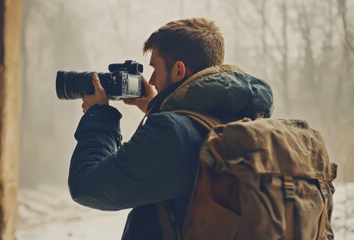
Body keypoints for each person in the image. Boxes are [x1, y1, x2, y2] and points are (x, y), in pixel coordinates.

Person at [68, 18, 274, 239]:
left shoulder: (171, 133)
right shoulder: (244, 120)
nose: (153, 80)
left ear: (178, 70)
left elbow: (87, 186)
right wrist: (158, 107)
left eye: (155, 68)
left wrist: (100, 114)